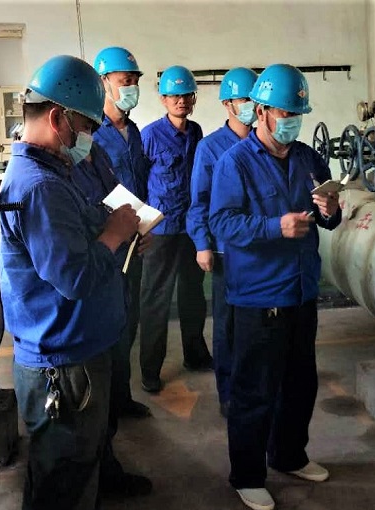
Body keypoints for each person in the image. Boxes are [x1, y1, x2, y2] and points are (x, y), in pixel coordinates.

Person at [0, 55, 139, 510]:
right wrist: (115, 233)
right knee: (63, 484)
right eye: (86, 126)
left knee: (72, 471)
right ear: (58, 117)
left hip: (75, 351)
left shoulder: (54, 173)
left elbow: (76, 236)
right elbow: (75, 277)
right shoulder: (41, 186)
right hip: (63, 364)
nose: (89, 137)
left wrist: (115, 228)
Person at [209, 63, 342, 510]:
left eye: (298, 114)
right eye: (285, 113)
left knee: (300, 384)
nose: (292, 121)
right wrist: (273, 227)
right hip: (259, 296)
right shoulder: (235, 162)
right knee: (255, 391)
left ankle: (289, 455)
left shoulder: (306, 158)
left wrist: (330, 210)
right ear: (261, 111)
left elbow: (328, 214)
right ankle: (247, 475)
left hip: (301, 291)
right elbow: (221, 222)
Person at [71, 141, 153, 500]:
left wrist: (137, 229)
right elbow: (71, 266)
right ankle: (97, 476)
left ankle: (106, 466)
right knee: (84, 411)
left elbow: (116, 202)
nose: (87, 132)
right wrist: (116, 235)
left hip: (114, 274)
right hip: (86, 296)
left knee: (115, 364)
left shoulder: (97, 154)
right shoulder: (54, 174)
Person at [186, 67, 258, 418]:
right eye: (246, 100)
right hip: (226, 250)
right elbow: (199, 200)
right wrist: (202, 243)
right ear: (228, 104)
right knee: (227, 326)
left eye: (256, 100)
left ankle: (255, 387)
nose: (253, 107)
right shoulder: (210, 148)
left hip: (260, 248)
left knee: (258, 325)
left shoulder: (264, 143)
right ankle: (228, 394)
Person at [139, 65, 212, 393]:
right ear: (163, 99)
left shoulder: (196, 132)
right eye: (174, 96)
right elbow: (140, 181)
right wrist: (142, 226)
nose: (181, 101)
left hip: (190, 227)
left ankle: (195, 356)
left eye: (186, 95)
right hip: (160, 230)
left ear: (193, 98)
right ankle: (150, 370)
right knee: (156, 299)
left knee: (193, 294)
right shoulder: (150, 135)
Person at [92, 46, 152, 419]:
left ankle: (122, 396)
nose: (131, 87)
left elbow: (140, 185)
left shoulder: (135, 132)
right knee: (109, 321)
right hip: (107, 241)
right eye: (124, 80)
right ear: (104, 84)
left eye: (134, 81)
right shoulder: (90, 135)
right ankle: (106, 405)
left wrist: (145, 226)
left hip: (135, 239)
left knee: (130, 318)